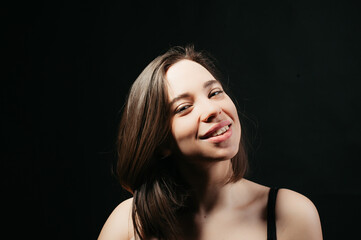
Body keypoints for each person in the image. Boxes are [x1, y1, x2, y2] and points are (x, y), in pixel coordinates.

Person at [98, 45, 323, 240]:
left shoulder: (291, 213)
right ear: (159, 142)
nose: (213, 110)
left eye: (215, 93)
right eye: (184, 107)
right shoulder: (129, 223)